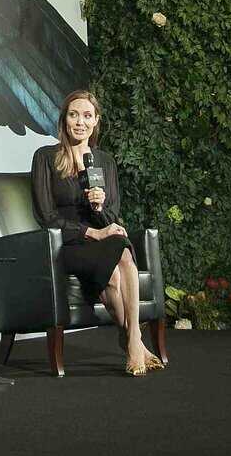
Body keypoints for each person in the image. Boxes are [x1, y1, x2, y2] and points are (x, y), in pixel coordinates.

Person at [30, 89, 163, 376]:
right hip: (66, 244)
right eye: (74, 115)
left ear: (96, 121)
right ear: (64, 120)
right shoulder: (45, 157)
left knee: (121, 253)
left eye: (87, 116)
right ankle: (135, 343)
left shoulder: (104, 161)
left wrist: (100, 207)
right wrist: (93, 232)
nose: (80, 122)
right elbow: (46, 217)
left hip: (104, 239)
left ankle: (131, 339)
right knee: (115, 255)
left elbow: (112, 216)